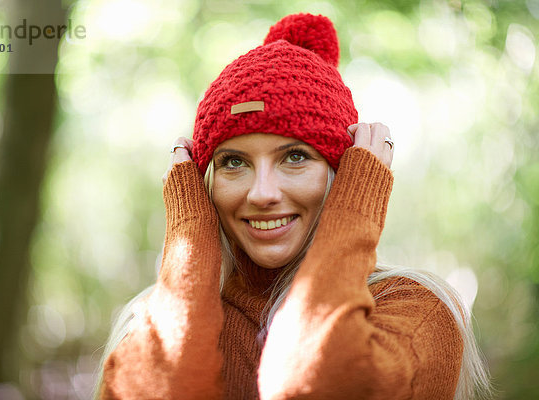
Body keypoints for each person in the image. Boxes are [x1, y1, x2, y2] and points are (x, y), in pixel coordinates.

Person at [95, 13, 491, 399]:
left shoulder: (414, 309)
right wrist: (189, 243)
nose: (262, 193)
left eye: (295, 157)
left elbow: (311, 383)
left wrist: (353, 211)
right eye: (233, 162)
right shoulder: (152, 321)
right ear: (203, 183)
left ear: (345, 171)